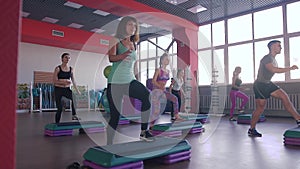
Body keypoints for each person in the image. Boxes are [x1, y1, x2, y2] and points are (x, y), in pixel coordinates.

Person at [106, 16, 153, 144]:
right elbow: (111, 58)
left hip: (129, 80)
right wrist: (125, 54)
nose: (133, 28)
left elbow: (135, 65)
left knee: (146, 96)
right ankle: (109, 144)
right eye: (130, 25)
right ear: (123, 26)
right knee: (115, 117)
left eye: (135, 25)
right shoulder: (116, 40)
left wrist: (138, 81)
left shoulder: (134, 44)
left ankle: (144, 131)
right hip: (115, 83)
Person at [249, 40, 300, 137]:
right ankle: (252, 129)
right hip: (260, 85)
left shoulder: (273, 59)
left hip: (268, 84)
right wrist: (290, 68)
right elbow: (273, 70)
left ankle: (298, 119)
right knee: (260, 109)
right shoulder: (267, 58)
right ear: (272, 47)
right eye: (279, 46)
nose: (281, 47)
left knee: (284, 97)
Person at [151, 53, 184, 125]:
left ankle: (176, 116)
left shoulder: (168, 71)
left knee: (174, 98)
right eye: (166, 59)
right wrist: (159, 86)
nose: (168, 60)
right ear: (162, 60)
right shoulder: (158, 70)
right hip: (156, 91)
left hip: (163, 91)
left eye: (168, 59)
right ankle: (151, 126)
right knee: (156, 110)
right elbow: (153, 81)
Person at [53, 53, 81, 123]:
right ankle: (57, 124)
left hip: (66, 89)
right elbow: (54, 81)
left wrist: (77, 90)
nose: (67, 59)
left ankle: (74, 115)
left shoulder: (71, 69)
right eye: (66, 57)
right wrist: (63, 82)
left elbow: (73, 80)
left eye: (69, 58)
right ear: (62, 59)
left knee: (74, 98)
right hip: (58, 90)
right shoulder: (58, 68)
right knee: (59, 109)